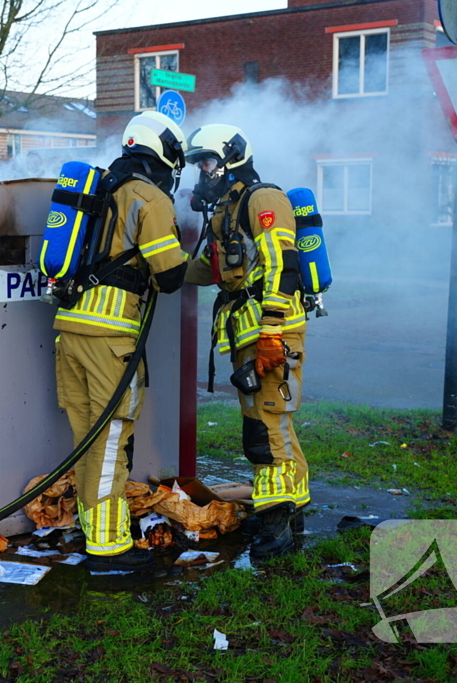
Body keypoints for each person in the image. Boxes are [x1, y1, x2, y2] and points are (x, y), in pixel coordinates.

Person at [54, 111, 189, 573]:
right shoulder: (147, 196)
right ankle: (110, 551)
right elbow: (169, 276)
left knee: (88, 440)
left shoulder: (102, 187)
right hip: (110, 338)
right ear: (164, 150)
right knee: (110, 440)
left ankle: (96, 533)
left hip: (70, 329)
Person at [182, 124, 310, 562]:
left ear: (233, 158)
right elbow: (208, 268)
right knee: (271, 423)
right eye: (199, 162)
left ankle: (276, 526)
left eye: (209, 160)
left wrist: (272, 330)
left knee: (266, 427)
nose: (203, 169)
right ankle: (293, 510)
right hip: (248, 330)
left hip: (271, 331)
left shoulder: (263, 199)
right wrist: (155, 267)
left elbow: (282, 264)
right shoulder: (228, 210)